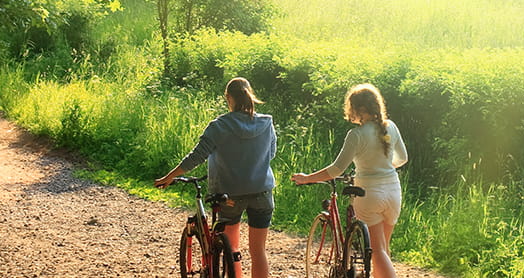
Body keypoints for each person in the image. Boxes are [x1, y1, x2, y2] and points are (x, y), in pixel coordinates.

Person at [155, 77, 276, 278]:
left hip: (229, 195)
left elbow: (196, 157)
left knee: (232, 248)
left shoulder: (219, 126)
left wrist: (170, 176)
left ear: (228, 98)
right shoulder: (266, 123)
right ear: (250, 95)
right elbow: (270, 153)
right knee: (258, 251)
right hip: (262, 193)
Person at [291, 83, 408, 278]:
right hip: (393, 192)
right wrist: (383, 168)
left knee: (377, 251)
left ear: (359, 109)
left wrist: (306, 178)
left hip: (369, 193)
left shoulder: (356, 135)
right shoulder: (390, 127)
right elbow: (402, 158)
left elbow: (336, 170)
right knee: (383, 250)